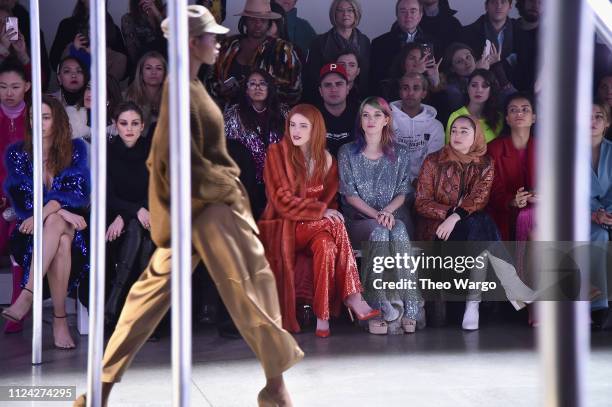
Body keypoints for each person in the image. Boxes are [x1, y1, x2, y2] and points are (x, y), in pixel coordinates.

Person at [73, 7, 303, 406]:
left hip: (205, 210)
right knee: (251, 290)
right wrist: (222, 193)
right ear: (192, 42)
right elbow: (168, 161)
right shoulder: (181, 92)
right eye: (210, 37)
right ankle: (277, 388)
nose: (218, 43)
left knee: (152, 298)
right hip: (208, 212)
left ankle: (100, 389)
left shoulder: (191, 87)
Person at [259, 104, 380, 336]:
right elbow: (280, 200)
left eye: (303, 126)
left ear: (316, 129)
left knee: (327, 246)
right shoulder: (277, 153)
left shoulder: (327, 160)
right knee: (332, 222)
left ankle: (322, 319)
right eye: (292, 125)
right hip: (284, 228)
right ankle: (354, 295)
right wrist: (319, 211)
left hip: (315, 231)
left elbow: (331, 204)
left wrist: (323, 213)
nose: (296, 131)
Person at [415, 114, 536, 330]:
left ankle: (473, 305)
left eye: (464, 131)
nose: (457, 135)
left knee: (477, 225)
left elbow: (479, 198)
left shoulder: (485, 163)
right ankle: (505, 288)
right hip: (437, 229)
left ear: (476, 136)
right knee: (482, 223)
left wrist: (455, 217)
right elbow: (421, 203)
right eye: (454, 131)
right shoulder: (433, 161)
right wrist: (449, 214)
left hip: (466, 228)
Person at [1, 95, 90, 349]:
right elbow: (22, 201)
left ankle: (27, 294)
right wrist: (59, 211)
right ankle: (59, 320)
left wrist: (52, 210)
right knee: (59, 239)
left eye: (45, 117)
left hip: (76, 232)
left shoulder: (75, 149)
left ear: (57, 120)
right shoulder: (17, 154)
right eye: (33, 117)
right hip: (32, 234)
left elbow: (77, 191)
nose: (38, 123)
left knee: (61, 232)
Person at [338, 97, 419, 335]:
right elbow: (350, 195)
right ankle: (376, 307)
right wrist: (377, 215)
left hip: (394, 216)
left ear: (386, 120)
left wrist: (387, 212)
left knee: (399, 230)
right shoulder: (347, 152)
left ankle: (411, 305)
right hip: (360, 220)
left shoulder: (400, 153)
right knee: (381, 231)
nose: (371, 120)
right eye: (365, 115)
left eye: (376, 115)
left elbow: (405, 190)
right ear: (360, 121)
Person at [104, 102, 155, 328]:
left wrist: (136, 211)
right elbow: (108, 196)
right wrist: (129, 213)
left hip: (148, 215)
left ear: (143, 126)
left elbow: (157, 189)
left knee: (141, 231)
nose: (129, 129)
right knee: (136, 229)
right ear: (116, 125)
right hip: (113, 218)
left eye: (135, 124)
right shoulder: (107, 152)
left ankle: (114, 306)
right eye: (123, 123)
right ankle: (140, 314)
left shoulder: (150, 151)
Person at [224, 68, 288, 218]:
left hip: (279, 183)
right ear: (246, 90)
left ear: (269, 88)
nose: (258, 87)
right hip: (247, 183)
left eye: (262, 84)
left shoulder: (284, 113)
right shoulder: (233, 115)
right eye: (252, 84)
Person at [211, 0, 302, 106]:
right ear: (245, 21)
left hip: (268, 118)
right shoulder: (228, 45)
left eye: (263, 20)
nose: (258, 24)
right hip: (226, 115)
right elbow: (211, 79)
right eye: (252, 19)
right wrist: (220, 89)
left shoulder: (283, 50)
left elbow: (294, 91)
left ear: (269, 22)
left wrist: (259, 94)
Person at [0, 60, 29, 333]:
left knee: (18, 239)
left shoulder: (34, 118)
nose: (9, 92)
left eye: (15, 87)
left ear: (27, 87)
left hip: (24, 197)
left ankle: (17, 312)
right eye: (3, 87)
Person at [487, 92, 536, 242]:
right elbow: (491, 190)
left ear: (534, 117)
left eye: (525, 109)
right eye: (513, 110)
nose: (519, 113)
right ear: (507, 119)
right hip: (505, 211)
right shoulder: (493, 149)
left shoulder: (546, 148)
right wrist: (512, 200)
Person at [305, 0, 370, 104]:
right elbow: (313, 78)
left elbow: (366, 75)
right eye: (340, 10)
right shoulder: (319, 42)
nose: (345, 14)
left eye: (350, 10)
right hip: (327, 101)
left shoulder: (364, 41)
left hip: (359, 100)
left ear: (356, 13)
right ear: (334, 14)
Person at [370, 0, 434, 94]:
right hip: (391, 98)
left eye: (413, 11)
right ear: (397, 15)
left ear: (420, 15)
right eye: (403, 11)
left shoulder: (433, 42)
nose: (408, 15)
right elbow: (377, 80)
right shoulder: (379, 43)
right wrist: (414, 72)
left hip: (425, 98)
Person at [391, 72, 444, 185]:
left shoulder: (436, 127)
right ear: (400, 92)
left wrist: (418, 183)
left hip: (423, 186)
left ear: (424, 93)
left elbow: (433, 164)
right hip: (391, 183)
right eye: (405, 88)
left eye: (416, 88)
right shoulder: (386, 121)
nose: (410, 93)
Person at [49, 0, 127, 73]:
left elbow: (125, 68)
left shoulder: (113, 29)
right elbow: (54, 62)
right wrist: (73, 49)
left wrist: (103, 54)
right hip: (72, 84)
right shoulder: (67, 26)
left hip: (105, 84)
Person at [442, 42, 515, 117]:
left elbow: (513, 99)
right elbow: (466, 112)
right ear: (452, 69)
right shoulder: (453, 89)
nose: (466, 62)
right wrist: (478, 74)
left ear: (474, 58)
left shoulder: (489, 73)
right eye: (459, 61)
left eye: (468, 57)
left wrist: (497, 67)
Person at [461, 0, 519, 86]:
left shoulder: (520, 31)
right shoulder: (467, 33)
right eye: (493, 2)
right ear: (486, 6)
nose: (498, 6)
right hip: (480, 89)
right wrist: (475, 69)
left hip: (515, 89)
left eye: (503, 2)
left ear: (510, 6)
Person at [589, 102, 611, 329]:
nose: (592, 122)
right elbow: (567, 190)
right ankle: (597, 306)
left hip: (608, 214)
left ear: (607, 122)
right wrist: (593, 214)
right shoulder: (568, 152)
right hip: (579, 215)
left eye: (598, 116)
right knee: (599, 236)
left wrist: (608, 213)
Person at [445, 69, 503, 143]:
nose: (479, 90)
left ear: (491, 90)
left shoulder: (498, 117)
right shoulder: (456, 116)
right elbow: (450, 150)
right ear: (468, 88)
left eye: (484, 86)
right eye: (474, 85)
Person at [316, 63, 359, 157]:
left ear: (348, 88)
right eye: (327, 85)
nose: (333, 89)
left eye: (339, 84)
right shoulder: (312, 116)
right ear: (320, 91)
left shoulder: (361, 114)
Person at [121, 0, 167, 80]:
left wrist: (157, 13)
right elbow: (133, 51)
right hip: (143, 60)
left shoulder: (166, 12)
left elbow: (174, 38)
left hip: (167, 58)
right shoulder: (128, 18)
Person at [124, 51, 167, 132]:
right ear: (141, 72)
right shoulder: (125, 98)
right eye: (148, 68)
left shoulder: (174, 100)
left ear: (165, 73)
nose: (153, 72)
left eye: (159, 68)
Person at [514, 0, 540, 91]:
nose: (535, 5)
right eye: (531, 1)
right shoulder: (507, 28)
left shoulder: (551, 38)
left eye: (541, 2)